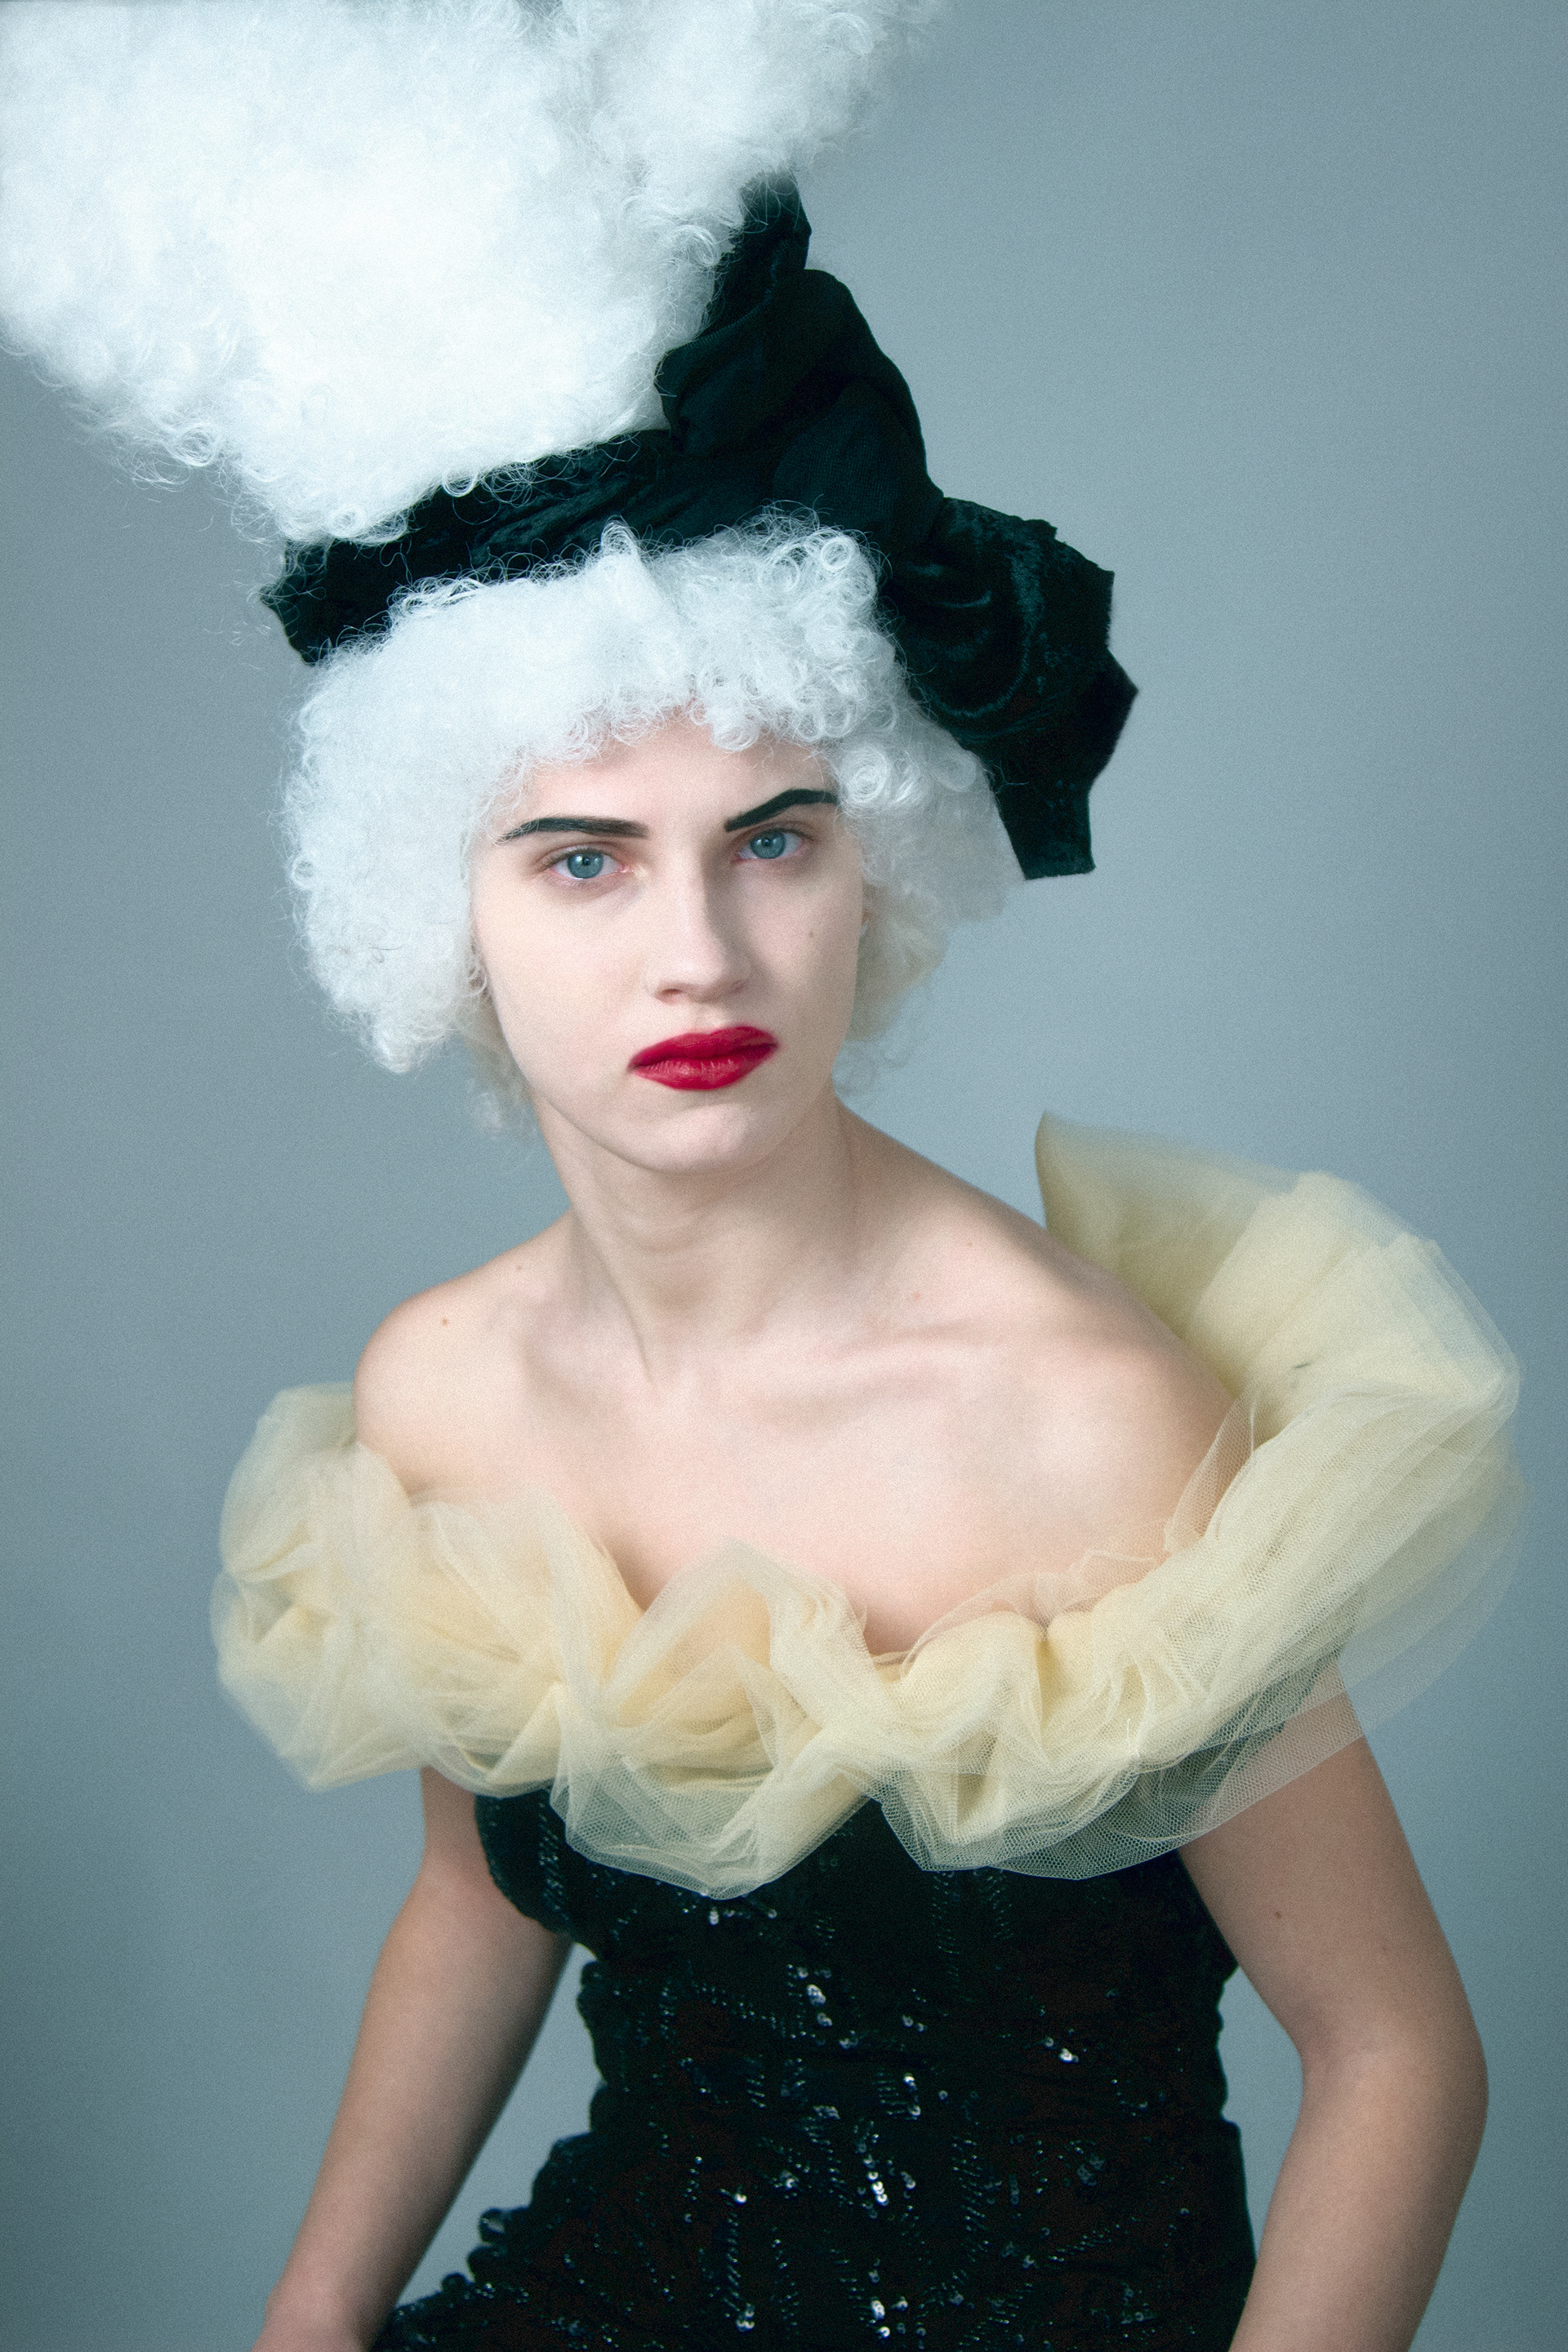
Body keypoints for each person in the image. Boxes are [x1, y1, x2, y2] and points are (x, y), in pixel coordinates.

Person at [0, 7, 1523, 2350]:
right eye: (583, 858)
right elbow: (480, 1905)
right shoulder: (441, 1398)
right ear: (438, 916)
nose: (698, 950)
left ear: (872, 863)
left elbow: (1400, 2053)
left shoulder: (1084, 1420)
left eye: (774, 840)